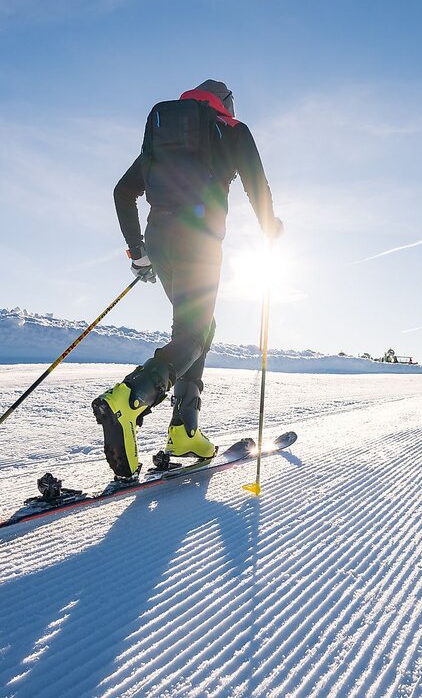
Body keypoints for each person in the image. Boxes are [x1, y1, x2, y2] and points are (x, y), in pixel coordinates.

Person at [92, 79, 282, 479]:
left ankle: (184, 430)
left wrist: (140, 253)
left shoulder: (163, 136)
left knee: (196, 329)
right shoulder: (231, 130)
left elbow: (122, 193)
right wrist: (270, 227)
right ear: (226, 104)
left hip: (161, 242)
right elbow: (256, 186)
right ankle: (129, 398)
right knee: (196, 335)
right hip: (200, 241)